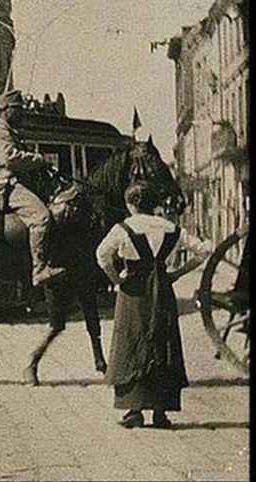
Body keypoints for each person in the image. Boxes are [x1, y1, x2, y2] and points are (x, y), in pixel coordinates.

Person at [96, 181, 212, 429]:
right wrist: (178, 273)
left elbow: (102, 256)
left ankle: (134, 410)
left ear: (131, 204)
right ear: (152, 204)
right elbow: (203, 251)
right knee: (163, 342)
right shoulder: (171, 228)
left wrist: (117, 280)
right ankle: (161, 412)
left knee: (131, 342)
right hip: (162, 290)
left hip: (133, 292)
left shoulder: (122, 228)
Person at [0, 89, 64, 287]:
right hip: (9, 186)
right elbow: (9, 158)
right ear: (6, 110)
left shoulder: (10, 132)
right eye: (17, 109)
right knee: (41, 217)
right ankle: (39, 270)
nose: (21, 113)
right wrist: (38, 159)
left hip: (19, 183)